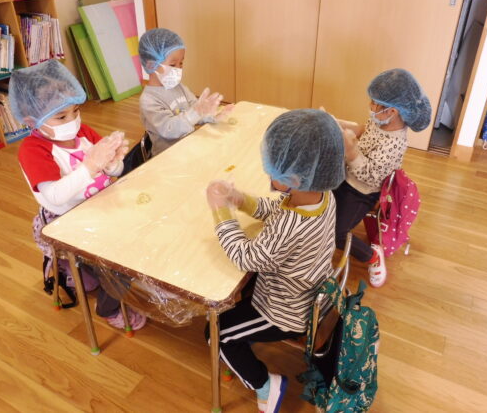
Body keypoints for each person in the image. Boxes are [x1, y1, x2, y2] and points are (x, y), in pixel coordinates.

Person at [204, 109, 345, 413]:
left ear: (295, 179)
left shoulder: (291, 225)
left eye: (274, 173)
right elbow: (276, 208)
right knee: (234, 300)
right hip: (308, 291)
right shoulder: (321, 195)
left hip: (283, 311)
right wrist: (240, 199)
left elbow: (246, 257)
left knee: (217, 333)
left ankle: (266, 384)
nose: (269, 177)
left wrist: (221, 212)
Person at [11, 59, 146, 331]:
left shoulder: (82, 132)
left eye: (75, 110)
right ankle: (108, 307)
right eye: (61, 117)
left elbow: (113, 171)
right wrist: (91, 165)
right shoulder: (34, 150)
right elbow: (55, 196)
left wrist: (113, 163)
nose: (72, 121)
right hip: (66, 221)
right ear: (32, 120)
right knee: (121, 261)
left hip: (98, 206)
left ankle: (86, 271)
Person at [333, 68, 431, 288]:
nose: (370, 106)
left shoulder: (393, 144)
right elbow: (363, 129)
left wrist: (351, 151)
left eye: (375, 103)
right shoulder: (381, 122)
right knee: (319, 196)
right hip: (347, 176)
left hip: (362, 191)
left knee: (337, 233)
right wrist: (338, 123)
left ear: (392, 111)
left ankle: (372, 256)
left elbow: (369, 177)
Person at [138, 28, 233, 156]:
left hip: (189, 147)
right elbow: (168, 129)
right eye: (173, 65)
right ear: (151, 65)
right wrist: (195, 113)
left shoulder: (179, 87)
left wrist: (210, 116)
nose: (178, 69)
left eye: (181, 63)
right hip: (167, 157)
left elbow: (195, 108)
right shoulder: (149, 100)